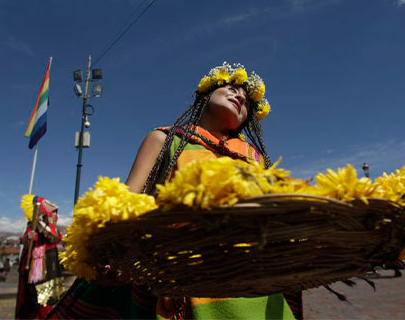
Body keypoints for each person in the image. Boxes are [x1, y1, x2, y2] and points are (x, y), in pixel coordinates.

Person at [48, 62, 302, 319]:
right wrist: (110, 250)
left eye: (247, 101)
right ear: (205, 93)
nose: (239, 96)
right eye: (231, 86)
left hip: (251, 278)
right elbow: (126, 200)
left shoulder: (253, 158)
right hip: (183, 277)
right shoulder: (166, 139)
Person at [15, 197, 65, 319]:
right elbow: (25, 239)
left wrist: (43, 229)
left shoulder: (51, 223)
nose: (54, 212)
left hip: (49, 262)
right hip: (35, 265)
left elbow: (55, 237)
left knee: (47, 296)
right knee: (34, 296)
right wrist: (30, 237)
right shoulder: (32, 224)